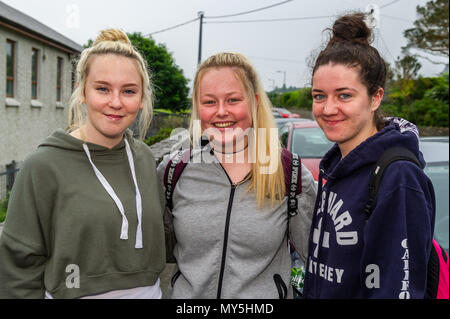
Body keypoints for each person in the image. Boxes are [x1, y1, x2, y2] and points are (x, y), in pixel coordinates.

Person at [0, 29, 166, 299]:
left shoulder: (145, 159)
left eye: (128, 91)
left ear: (141, 98)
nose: (115, 102)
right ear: (82, 93)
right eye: (102, 88)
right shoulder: (44, 165)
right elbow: (18, 266)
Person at [157, 52, 317, 299]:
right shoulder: (173, 171)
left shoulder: (289, 174)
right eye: (209, 102)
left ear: (253, 102)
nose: (221, 112)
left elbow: (321, 263)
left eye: (233, 100)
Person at [302, 13, 436, 299]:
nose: (328, 108)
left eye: (344, 95)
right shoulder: (335, 167)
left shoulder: (398, 176)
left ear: (375, 98)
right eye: (319, 96)